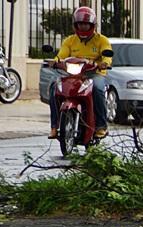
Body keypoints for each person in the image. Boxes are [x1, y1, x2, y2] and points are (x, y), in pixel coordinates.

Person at [48, 6, 112, 140]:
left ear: (92, 25)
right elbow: (61, 55)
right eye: (80, 24)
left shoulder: (102, 40)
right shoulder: (70, 40)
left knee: (98, 89)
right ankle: (54, 126)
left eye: (86, 25)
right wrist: (55, 61)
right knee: (54, 87)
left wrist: (104, 63)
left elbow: (107, 55)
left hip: (95, 74)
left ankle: (101, 126)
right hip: (74, 74)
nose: (83, 27)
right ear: (75, 25)